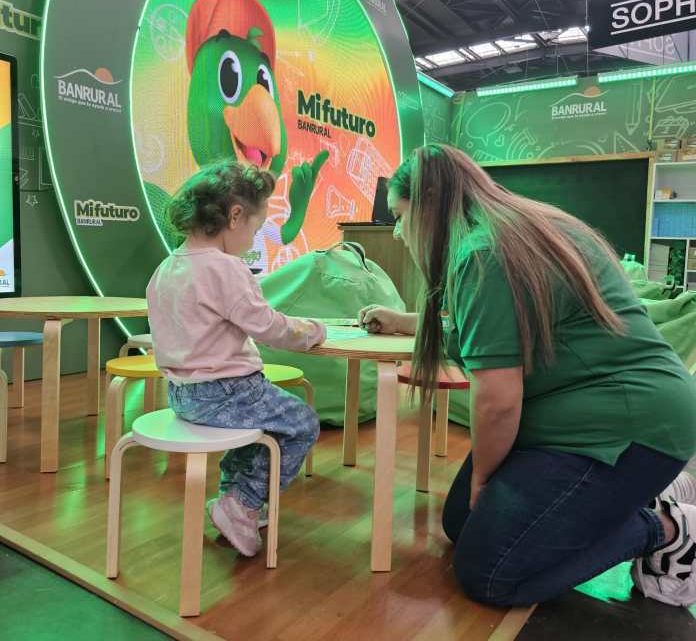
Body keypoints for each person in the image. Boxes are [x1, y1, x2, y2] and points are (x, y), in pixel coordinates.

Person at [359, 144, 696, 608]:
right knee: (461, 523)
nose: (397, 232)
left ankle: (665, 527)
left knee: (490, 574)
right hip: (577, 420)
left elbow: (497, 402)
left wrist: (483, 479)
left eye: (399, 216)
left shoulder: (481, 254)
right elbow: (486, 328)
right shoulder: (515, 230)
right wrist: (404, 320)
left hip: (627, 427)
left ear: (431, 205)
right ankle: (635, 493)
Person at [147, 159, 325, 558]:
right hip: (230, 391)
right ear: (235, 215)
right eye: (256, 229)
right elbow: (271, 329)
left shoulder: (166, 268)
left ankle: (231, 497)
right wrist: (315, 331)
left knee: (261, 429)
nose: (253, 239)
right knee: (302, 424)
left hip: (182, 395)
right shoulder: (226, 268)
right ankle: (242, 504)